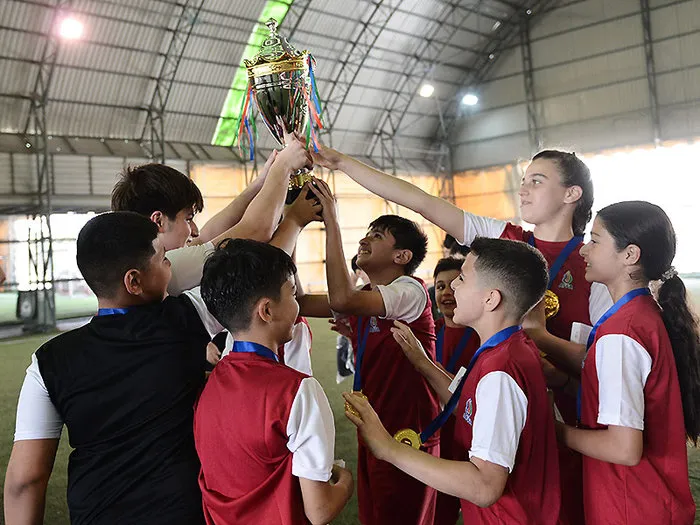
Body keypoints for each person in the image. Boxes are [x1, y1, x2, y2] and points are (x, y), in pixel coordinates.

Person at [311, 145, 611, 524]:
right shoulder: (505, 240)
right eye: (523, 180)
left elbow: (602, 365)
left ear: (572, 194)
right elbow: (422, 202)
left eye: (537, 181)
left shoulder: (593, 265)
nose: (523, 189)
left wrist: (550, 359)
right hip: (500, 402)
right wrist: (342, 162)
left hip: (569, 422)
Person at [3, 212, 224, 525]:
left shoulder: (48, 362)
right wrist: (289, 215)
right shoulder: (185, 319)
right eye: (164, 258)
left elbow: (26, 480)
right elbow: (255, 263)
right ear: (133, 281)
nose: (171, 266)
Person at [344, 237, 561, 525]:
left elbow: (484, 486)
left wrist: (388, 447)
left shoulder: (500, 371)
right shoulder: (509, 348)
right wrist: (423, 363)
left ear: (490, 299)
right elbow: (471, 408)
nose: (454, 287)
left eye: (463, 279)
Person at [538, 201, 698, 524]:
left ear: (630, 255)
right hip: (647, 500)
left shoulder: (621, 333)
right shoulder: (641, 314)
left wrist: (554, 431)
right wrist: (564, 380)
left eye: (595, 241)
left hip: (631, 506)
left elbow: (624, 448)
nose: (583, 250)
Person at [303, 179, 440, 525]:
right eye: (367, 233)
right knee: (375, 515)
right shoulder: (367, 296)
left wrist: (331, 221)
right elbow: (300, 302)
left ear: (402, 257)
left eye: (377, 236)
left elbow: (341, 299)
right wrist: (293, 223)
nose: (364, 239)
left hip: (408, 430)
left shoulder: (410, 291)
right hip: (373, 425)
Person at [193, 239, 353, 525]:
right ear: (266, 310)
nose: (298, 304)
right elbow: (320, 511)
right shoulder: (297, 391)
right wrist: (346, 481)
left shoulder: (210, 384)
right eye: (292, 293)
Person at [113, 136, 310, 295]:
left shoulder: (136, 259)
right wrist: (284, 167)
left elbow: (207, 237)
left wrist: (262, 180)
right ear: (159, 221)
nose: (194, 230)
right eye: (188, 219)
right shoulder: (163, 267)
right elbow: (256, 230)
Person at [431, 256, 481, 525]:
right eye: (440, 286)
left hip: (469, 434)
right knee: (439, 508)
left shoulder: (480, 335)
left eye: (454, 285)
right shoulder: (429, 333)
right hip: (437, 432)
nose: (447, 292)